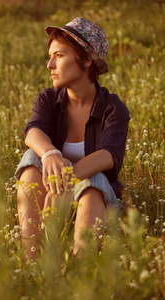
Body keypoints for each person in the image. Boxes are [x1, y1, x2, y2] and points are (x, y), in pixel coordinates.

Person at [15, 17, 130, 259]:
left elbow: (108, 155)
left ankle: (79, 267)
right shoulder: (48, 99)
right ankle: (31, 259)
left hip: (94, 207)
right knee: (31, 159)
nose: (49, 65)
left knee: (96, 180)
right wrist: (50, 153)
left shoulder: (113, 108)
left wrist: (66, 181)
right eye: (50, 57)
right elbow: (33, 130)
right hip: (48, 202)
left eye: (59, 56)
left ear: (87, 59)